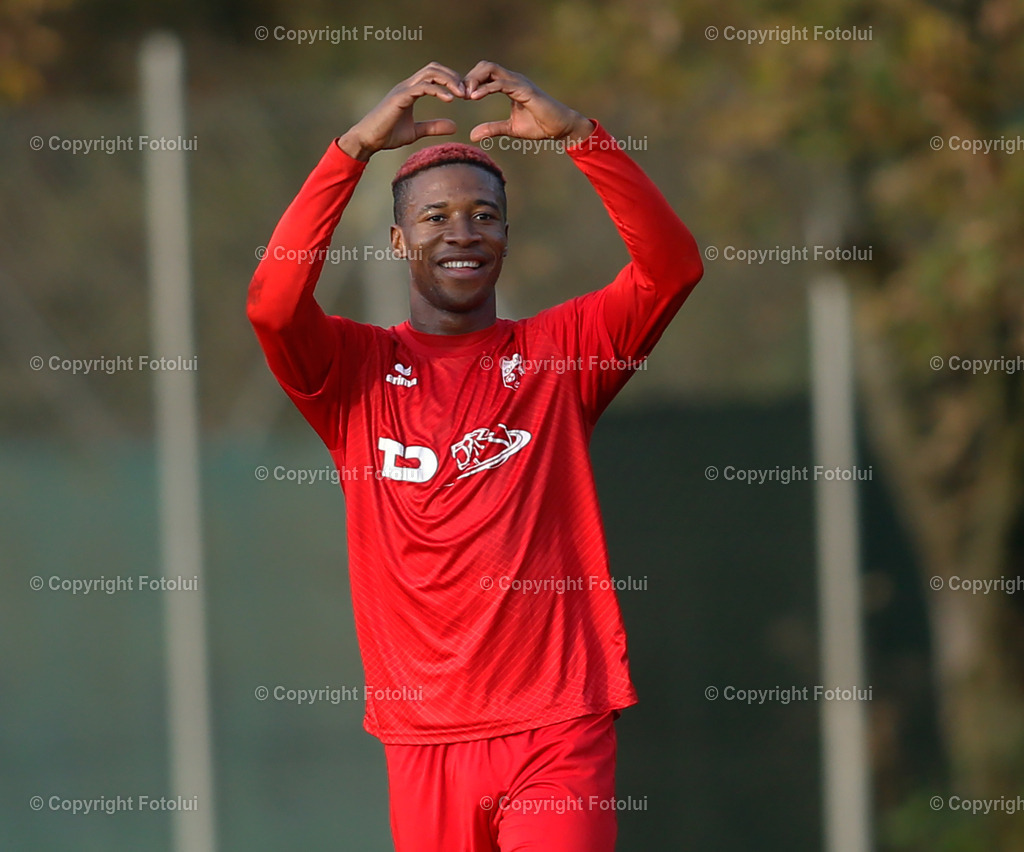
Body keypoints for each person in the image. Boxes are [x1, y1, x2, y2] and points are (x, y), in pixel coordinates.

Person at [248, 59, 703, 852]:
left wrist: (580, 136)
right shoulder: (350, 373)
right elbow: (274, 306)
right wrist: (351, 151)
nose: (462, 233)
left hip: (557, 723)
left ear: (506, 237)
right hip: (424, 737)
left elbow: (671, 269)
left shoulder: (561, 354)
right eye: (435, 217)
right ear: (398, 240)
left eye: (484, 215)